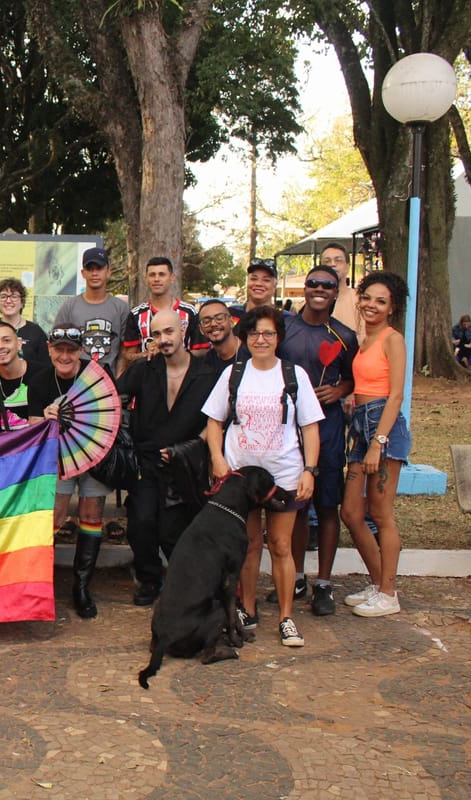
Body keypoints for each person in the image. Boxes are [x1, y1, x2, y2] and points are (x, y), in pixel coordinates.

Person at [203, 305, 323, 647]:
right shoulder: (234, 374)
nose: (261, 339)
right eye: (254, 333)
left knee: (281, 545)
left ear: (278, 337)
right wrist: (217, 458)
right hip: (242, 477)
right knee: (250, 544)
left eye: (268, 333)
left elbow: (310, 427)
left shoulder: (293, 374)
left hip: (283, 473)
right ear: (245, 337)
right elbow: (214, 420)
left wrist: (309, 470)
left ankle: (286, 616)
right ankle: (248, 608)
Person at [117, 309, 217, 606]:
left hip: (185, 464)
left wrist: (189, 448)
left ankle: (183, 582)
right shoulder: (144, 369)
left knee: (173, 531)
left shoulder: (207, 374)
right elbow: (110, 397)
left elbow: (216, 420)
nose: (163, 340)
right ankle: (149, 580)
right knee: (141, 523)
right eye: (157, 334)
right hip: (145, 461)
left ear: (183, 330)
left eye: (169, 332)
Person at [279, 265, 358, 616]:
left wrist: (339, 389)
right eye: (313, 283)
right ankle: (295, 576)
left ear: (336, 292)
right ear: (304, 289)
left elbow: (352, 380)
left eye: (328, 285)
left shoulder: (344, 335)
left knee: (327, 506)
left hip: (327, 429)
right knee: (296, 507)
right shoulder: (284, 328)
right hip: (288, 429)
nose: (319, 289)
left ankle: (323, 583)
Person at [341, 271, 413, 618]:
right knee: (351, 512)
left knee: (380, 513)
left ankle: (388, 593)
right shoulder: (364, 339)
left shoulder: (392, 339)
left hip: (383, 427)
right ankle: (377, 582)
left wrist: (378, 443)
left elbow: (396, 394)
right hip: (361, 425)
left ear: (392, 307)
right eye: (367, 297)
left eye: (380, 301)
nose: (371, 305)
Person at [38, 326, 111, 618]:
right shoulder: (42, 378)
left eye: (71, 350)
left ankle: (81, 586)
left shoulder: (97, 375)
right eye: (59, 349)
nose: (65, 355)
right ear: (49, 349)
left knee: (92, 515)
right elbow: (32, 424)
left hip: (94, 456)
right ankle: (44, 583)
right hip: (58, 458)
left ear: (81, 350)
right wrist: (44, 418)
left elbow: (112, 412)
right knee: (54, 515)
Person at [52, 247, 130, 375]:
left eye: (99, 268)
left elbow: (126, 350)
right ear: (83, 273)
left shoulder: (121, 308)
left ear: (108, 272)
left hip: (109, 382)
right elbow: (57, 345)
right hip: (75, 382)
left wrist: (119, 380)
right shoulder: (69, 307)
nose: (94, 273)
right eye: (90, 269)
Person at [121, 257, 206, 367]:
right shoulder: (136, 314)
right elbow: (128, 355)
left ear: (172, 277)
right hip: (148, 378)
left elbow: (202, 350)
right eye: (152, 275)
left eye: (162, 274)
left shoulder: (190, 312)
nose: (156, 279)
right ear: (146, 278)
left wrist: (174, 352)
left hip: (183, 378)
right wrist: (147, 354)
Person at [0, 320, 54, 431]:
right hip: (4, 446)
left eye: (6, 340)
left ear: (19, 344)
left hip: (37, 443)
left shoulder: (43, 374)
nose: (0, 346)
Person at [0, 278, 50, 367]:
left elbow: (46, 366)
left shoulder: (35, 331)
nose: (8, 301)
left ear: (22, 302)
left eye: (14, 296)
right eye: (3, 296)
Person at [320, 243, 361, 334]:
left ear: (347, 266)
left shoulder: (360, 300)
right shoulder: (311, 302)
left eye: (338, 260)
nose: (332, 264)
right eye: (327, 261)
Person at [228, 258, 279, 325]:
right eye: (254, 279)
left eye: (266, 280)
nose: (258, 283)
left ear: (275, 286)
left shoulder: (287, 319)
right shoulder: (230, 314)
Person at [198, 298, 241, 371]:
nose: (213, 324)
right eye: (206, 321)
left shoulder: (250, 354)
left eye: (219, 318)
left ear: (231, 322)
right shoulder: (206, 363)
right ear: (201, 329)